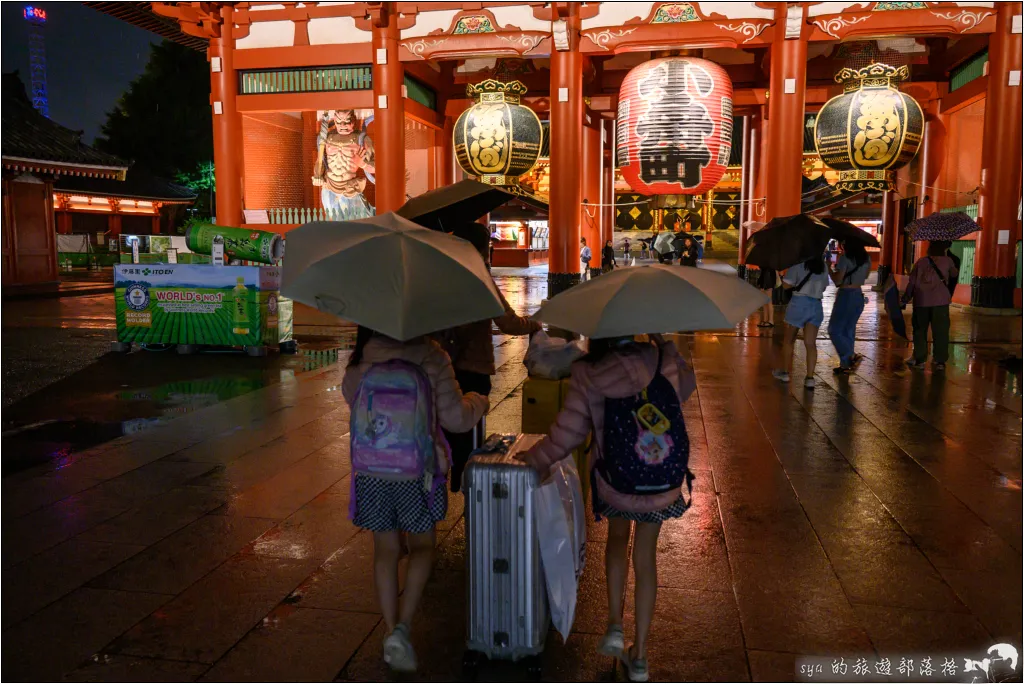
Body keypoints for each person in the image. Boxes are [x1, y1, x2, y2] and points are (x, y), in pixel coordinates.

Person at [524, 334, 695, 683]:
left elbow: (568, 434)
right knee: (645, 558)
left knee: (617, 540)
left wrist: (534, 460)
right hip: (661, 481)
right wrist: (669, 348)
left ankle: (615, 626)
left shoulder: (588, 371)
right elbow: (684, 390)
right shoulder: (657, 357)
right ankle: (641, 656)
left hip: (615, 480)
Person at [342, 326, 489, 673]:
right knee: (423, 545)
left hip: (371, 471)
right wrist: (478, 400)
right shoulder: (432, 356)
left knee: (386, 550)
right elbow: (456, 418)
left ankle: (391, 629)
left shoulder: (362, 358)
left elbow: (353, 403)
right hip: (417, 470)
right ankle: (404, 627)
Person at [436, 223, 541, 492]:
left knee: (445, 423)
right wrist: (534, 324)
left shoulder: (442, 277)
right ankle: (468, 479)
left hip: (444, 365)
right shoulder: (478, 278)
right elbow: (508, 323)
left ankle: (442, 473)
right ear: (482, 249)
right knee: (471, 429)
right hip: (474, 367)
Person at [773, 255, 830, 389]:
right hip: (816, 305)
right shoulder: (823, 266)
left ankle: (785, 373)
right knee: (810, 343)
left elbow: (786, 285)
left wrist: (782, 276)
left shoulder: (797, 265)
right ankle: (810, 378)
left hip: (798, 305)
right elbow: (824, 287)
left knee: (789, 340)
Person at [902, 241, 958, 370]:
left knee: (920, 330)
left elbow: (912, 283)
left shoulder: (921, 262)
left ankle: (920, 359)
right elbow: (954, 274)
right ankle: (939, 361)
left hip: (921, 301)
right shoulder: (948, 261)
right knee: (941, 331)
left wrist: (905, 298)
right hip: (941, 302)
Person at [828, 240, 871, 374]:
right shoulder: (867, 259)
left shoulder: (845, 258)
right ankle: (845, 366)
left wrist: (829, 267)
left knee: (834, 330)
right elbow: (866, 276)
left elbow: (837, 280)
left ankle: (850, 356)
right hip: (858, 294)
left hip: (845, 295)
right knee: (848, 330)